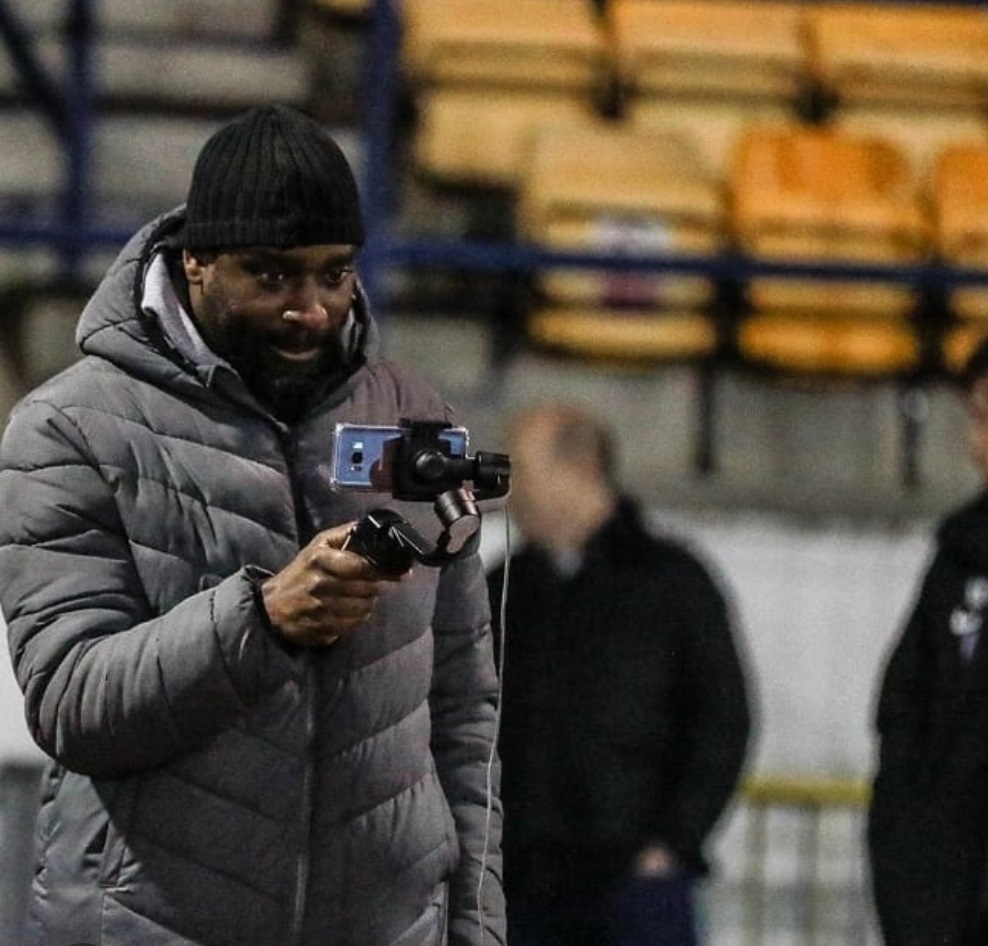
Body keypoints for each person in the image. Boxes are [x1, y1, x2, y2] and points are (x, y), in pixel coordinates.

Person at [0, 104, 505, 946]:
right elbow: (70, 699)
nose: (310, 308)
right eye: (272, 277)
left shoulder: (413, 421)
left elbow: (463, 715)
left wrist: (477, 927)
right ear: (194, 261)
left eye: (335, 274)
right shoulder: (71, 428)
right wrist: (261, 622)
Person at [485, 402, 752, 946]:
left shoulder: (673, 583)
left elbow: (723, 719)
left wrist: (673, 843)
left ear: (579, 469)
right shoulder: (504, 588)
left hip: (635, 894)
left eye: (524, 475)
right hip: (520, 886)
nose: (510, 495)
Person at [868, 337, 988, 946]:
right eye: (975, 419)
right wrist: (909, 889)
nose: (977, 445)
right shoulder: (959, 554)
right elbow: (905, 719)